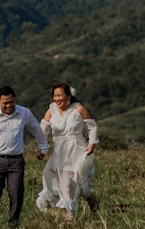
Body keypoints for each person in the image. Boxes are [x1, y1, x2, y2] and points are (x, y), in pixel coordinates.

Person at [0, 85, 49, 229]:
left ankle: (13, 222)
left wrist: (43, 147)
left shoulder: (24, 113)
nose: (8, 105)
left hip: (16, 160)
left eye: (11, 102)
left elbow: (36, 129)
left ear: (15, 100)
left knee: (16, 192)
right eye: (5, 103)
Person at [35, 81, 100, 220]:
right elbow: (43, 131)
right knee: (53, 177)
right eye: (55, 96)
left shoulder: (78, 109)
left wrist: (92, 143)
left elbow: (92, 127)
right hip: (59, 151)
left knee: (70, 183)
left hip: (76, 149)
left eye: (60, 95)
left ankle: (70, 219)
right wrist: (42, 149)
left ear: (69, 96)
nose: (57, 99)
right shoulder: (51, 110)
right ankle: (91, 206)